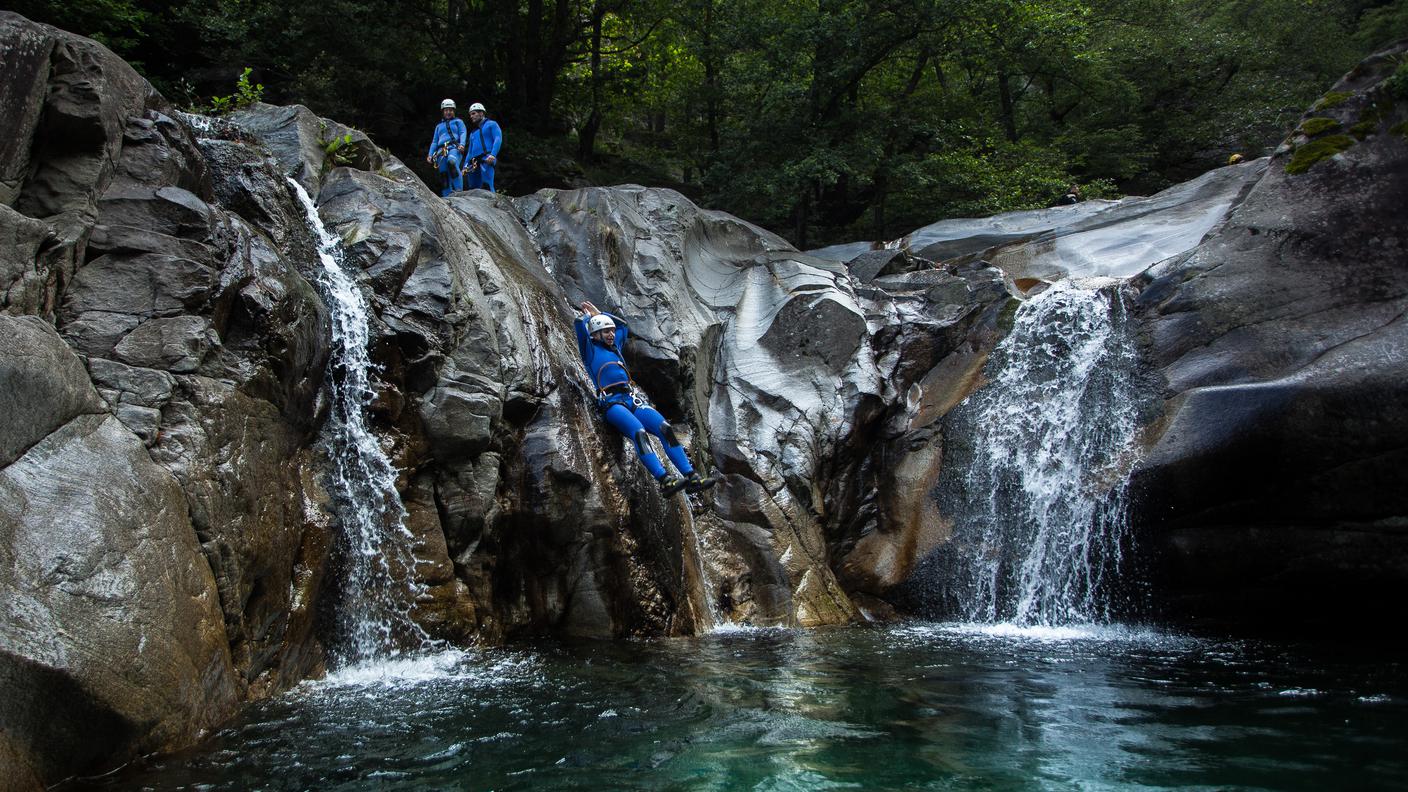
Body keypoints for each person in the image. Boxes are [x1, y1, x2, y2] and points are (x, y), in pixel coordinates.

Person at [574, 301, 716, 496]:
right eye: (605, 331)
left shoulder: (615, 347)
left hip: (631, 397)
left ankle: (692, 477)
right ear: (595, 334)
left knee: (665, 428)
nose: (611, 334)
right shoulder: (589, 351)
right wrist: (590, 318)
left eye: (611, 331)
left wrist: (602, 314)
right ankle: (665, 480)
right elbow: (578, 325)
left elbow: (622, 325)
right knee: (639, 432)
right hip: (612, 402)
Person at [426, 99, 467, 197]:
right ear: (443, 112)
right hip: (441, 151)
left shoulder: (458, 122)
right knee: (443, 174)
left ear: (454, 111)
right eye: (446, 110)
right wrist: (430, 154)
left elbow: (463, 133)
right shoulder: (438, 126)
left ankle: (459, 191)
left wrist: (462, 144)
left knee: (452, 162)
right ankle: (446, 196)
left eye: (450, 110)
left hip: (454, 148)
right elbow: (435, 141)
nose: (448, 112)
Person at [461, 102, 502, 193]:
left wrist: (493, 154)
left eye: (474, 113)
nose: (471, 116)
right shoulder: (473, 133)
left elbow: (498, 139)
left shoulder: (492, 124)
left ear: (481, 113)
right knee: (473, 188)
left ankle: (493, 205)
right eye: (470, 114)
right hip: (474, 162)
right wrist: (465, 166)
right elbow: (470, 152)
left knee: (487, 184)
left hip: (487, 158)